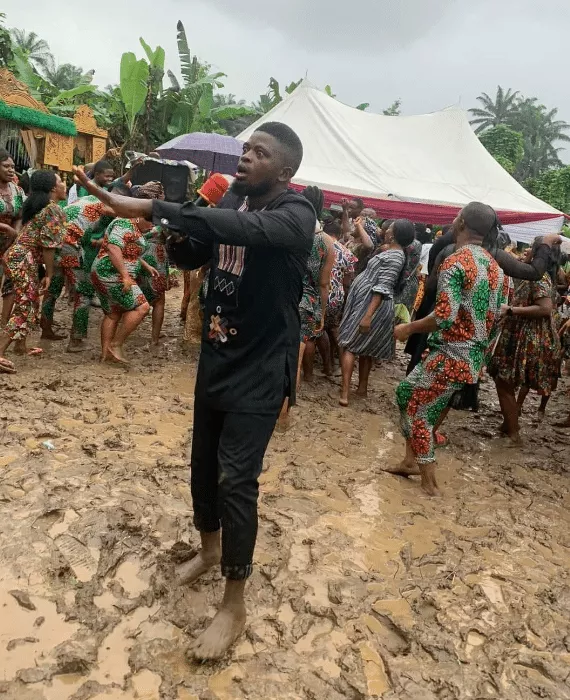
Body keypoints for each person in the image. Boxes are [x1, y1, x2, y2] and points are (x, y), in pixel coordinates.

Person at [73, 121, 315, 660]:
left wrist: (150, 209)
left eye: (259, 153)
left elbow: (247, 234)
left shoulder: (296, 213)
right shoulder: (233, 197)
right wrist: (174, 233)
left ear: (286, 170)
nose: (246, 158)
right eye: (245, 150)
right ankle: (208, 552)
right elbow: (191, 258)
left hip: (261, 366)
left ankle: (235, 603)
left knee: (237, 480)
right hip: (217, 356)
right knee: (202, 466)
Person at [391, 203, 508, 496]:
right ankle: (410, 461)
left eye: (457, 216)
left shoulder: (456, 263)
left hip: (450, 355)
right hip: (466, 357)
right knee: (405, 393)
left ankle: (430, 486)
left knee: (420, 416)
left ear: (461, 223)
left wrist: (408, 328)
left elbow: (443, 315)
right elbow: (499, 319)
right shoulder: (497, 270)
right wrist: (480, 358)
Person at [488, 238, 562, 439]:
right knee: (507, 381)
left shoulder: (538, 278)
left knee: (504, 380)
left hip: (526, 337)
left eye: (531, 247)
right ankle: (509, 425)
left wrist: (510, 310)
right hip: (524, 334)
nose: (527, 250)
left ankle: (513, 433)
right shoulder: (537, 275)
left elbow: (545, 308)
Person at [338, 219, 415, 406]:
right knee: (366, 349)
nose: (386, 230)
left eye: (389, 228)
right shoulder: (394, 252)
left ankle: (344, 393)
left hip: (370, 305)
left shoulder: (396, 257)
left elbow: (382, 288)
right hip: (368, 303)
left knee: (349, 345)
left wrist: (367, 316)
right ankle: (361, 388)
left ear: (394, 234)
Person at [0, 170, 67, 373]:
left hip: (18, 256)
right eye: (60, 181)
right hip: (23, 258)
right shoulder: (53, 210)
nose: (64, 184)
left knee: (31, 301)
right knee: (26, 303)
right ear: (53, 188)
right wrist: (48, 274)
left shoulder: (42, 207)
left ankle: (20, 346)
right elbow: (48, 246)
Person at [90, 184, 163, 363]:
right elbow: (114, 247)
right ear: (139, 217)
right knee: (142, 307)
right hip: (110, 273)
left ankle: (106, 355)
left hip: (107, 271)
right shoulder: (123, 222)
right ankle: (116, 344)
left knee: (113, 313)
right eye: (150, 221)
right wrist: (125, 275)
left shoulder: (134, 227)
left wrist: (145, 265)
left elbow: (129, 251)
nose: (152, 225)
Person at [298, 186, 334, 384]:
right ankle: (308, 375)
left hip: (286, 291)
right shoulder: (326, 241)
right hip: (308, 297)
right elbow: (323, 283)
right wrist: (322, 311)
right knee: (308, 338)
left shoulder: (291, 229)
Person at [316, 218, 357, 375]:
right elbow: (348, 279)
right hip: (338, 294)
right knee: (333, 328)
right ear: (339, 234)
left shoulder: (322, 245)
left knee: (317, 330)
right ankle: (342, 366)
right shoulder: (347, 252)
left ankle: (327, 367)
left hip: (322, 291)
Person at [134, 182, 169, 346]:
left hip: (137, 254)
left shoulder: (135, 211)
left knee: (134, 295)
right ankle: (154, 338)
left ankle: (127, 332)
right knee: (159, 300)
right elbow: (169, 233)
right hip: (156, 257)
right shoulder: (163, 215)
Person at [0, 149, 25, 326]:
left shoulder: (16, 189)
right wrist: (6, 227)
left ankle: (4, 321)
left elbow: (20, 215)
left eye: (13, 167)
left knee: (9, 281)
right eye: (6, 166)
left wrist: (15, 231)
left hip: (8, 243)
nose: (10, 170)